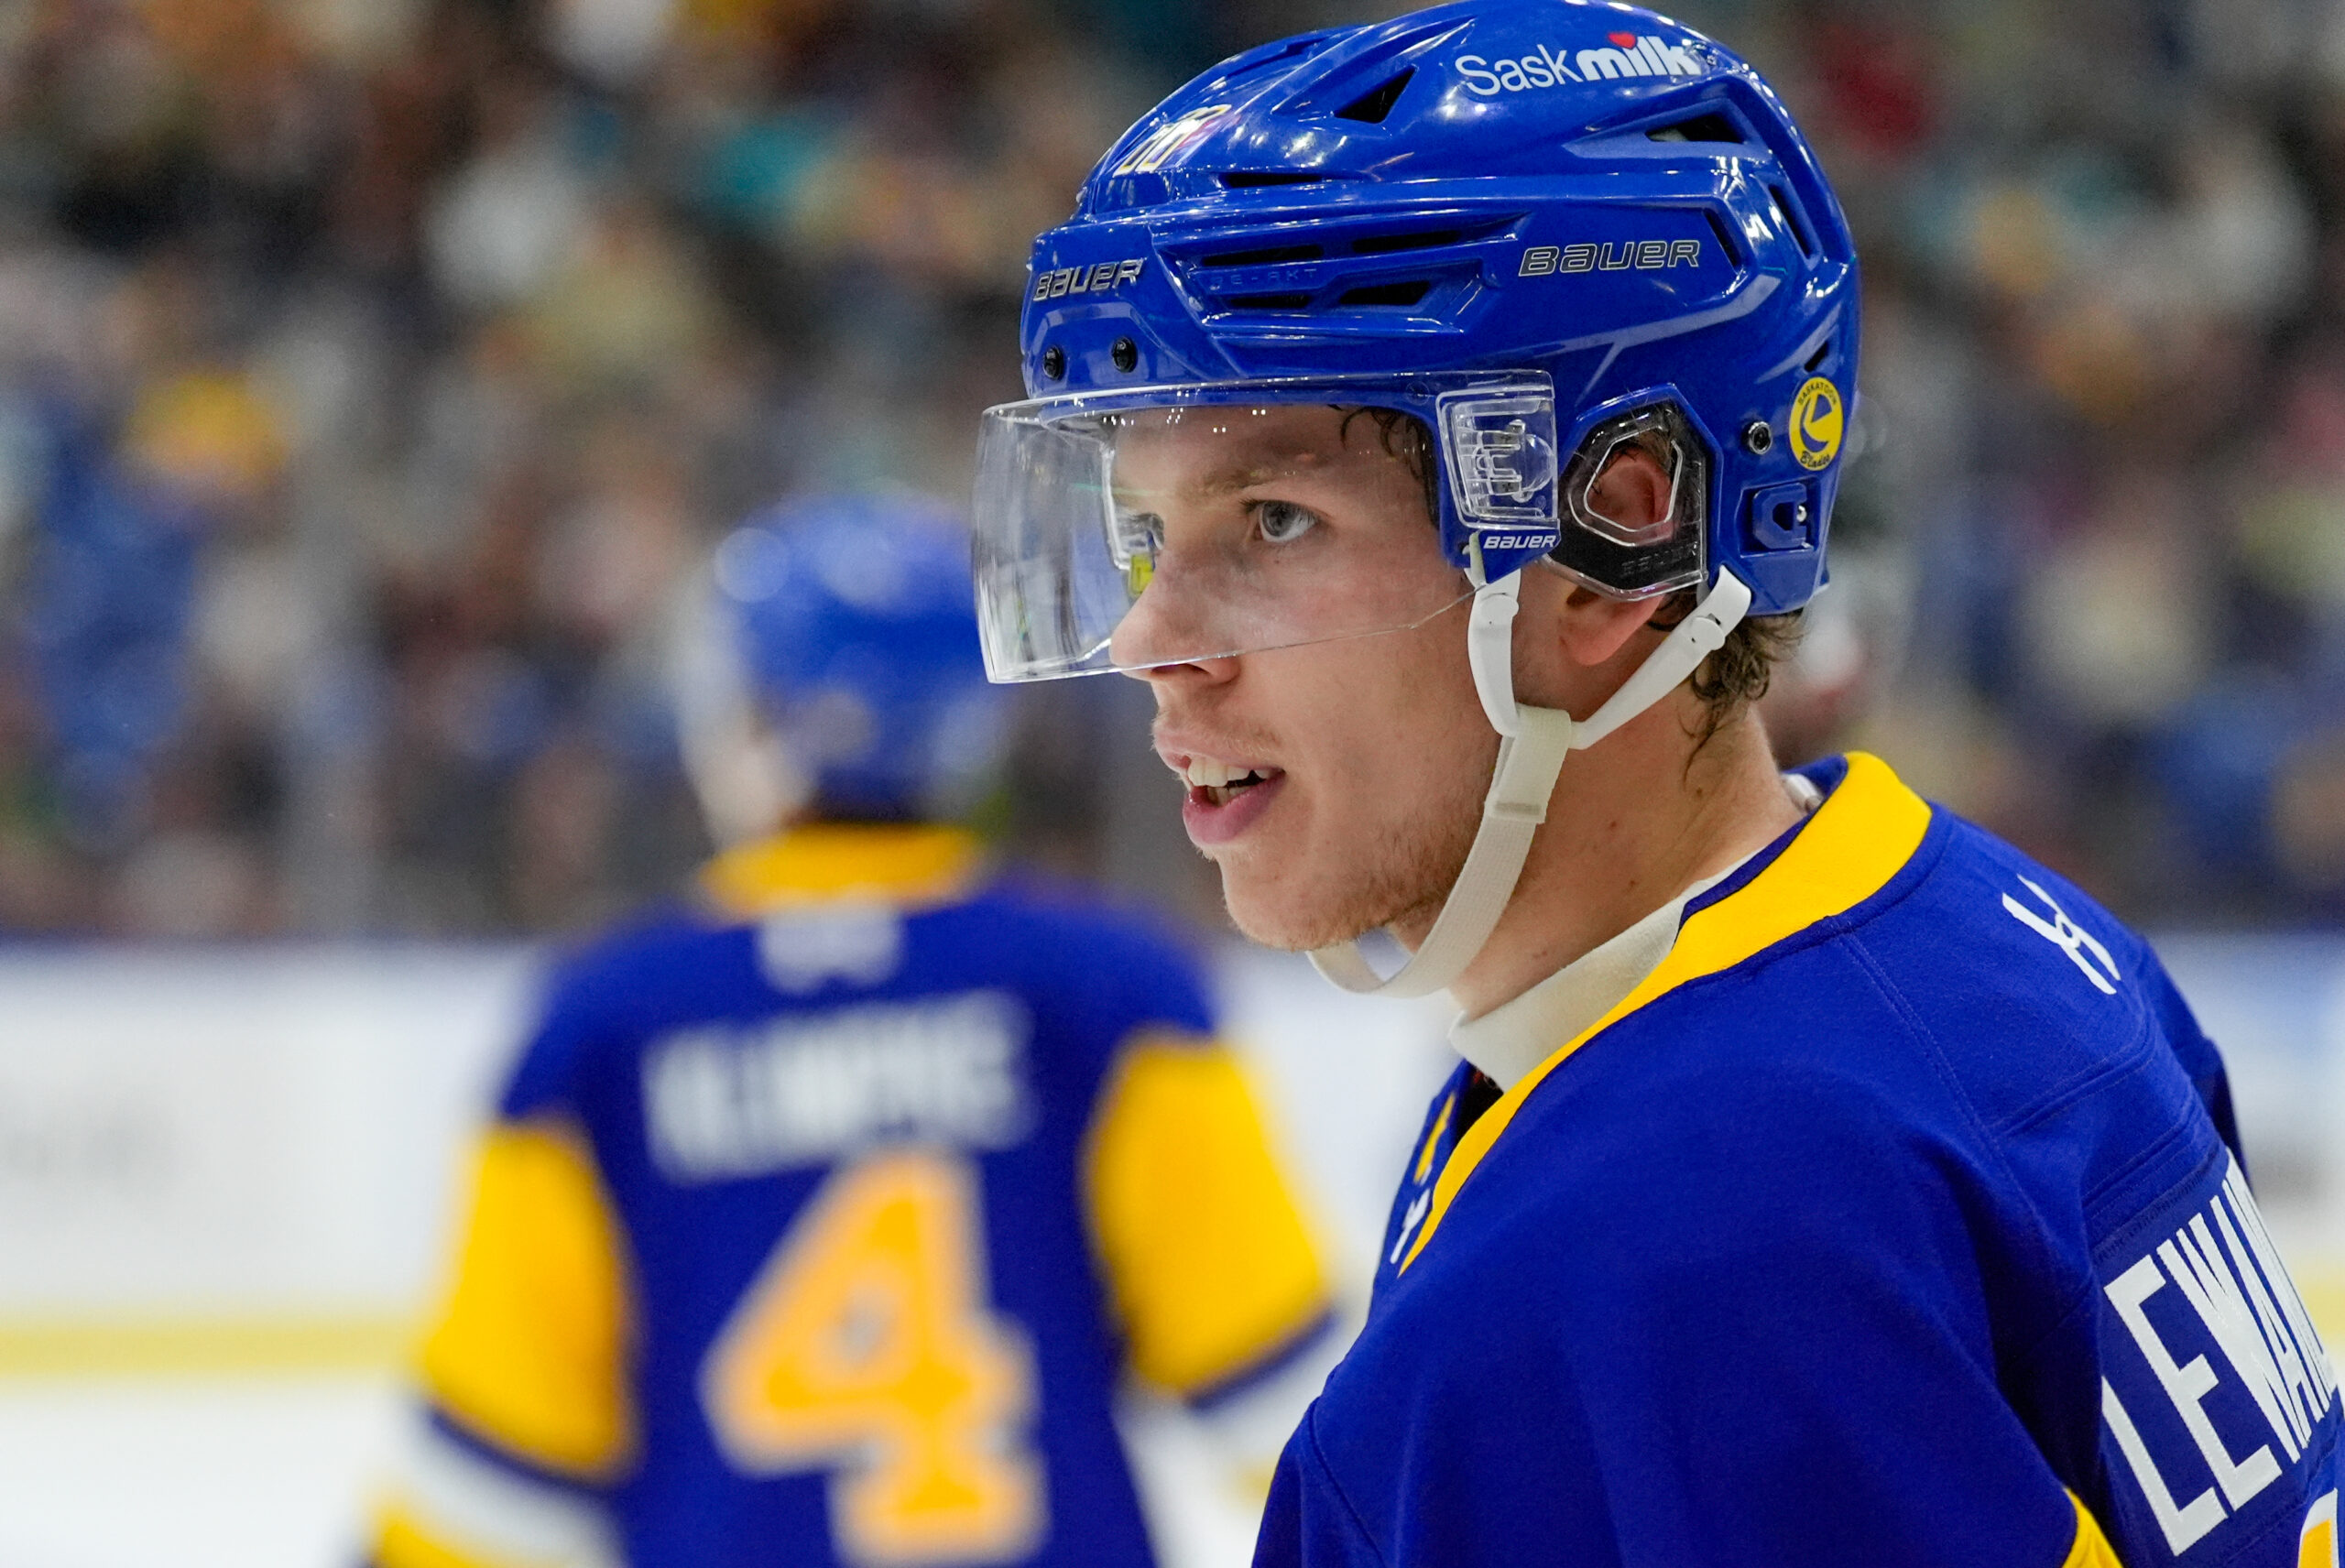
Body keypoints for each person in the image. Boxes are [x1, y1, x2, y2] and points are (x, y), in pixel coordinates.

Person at [965, 4, 2342, 1564]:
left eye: (1274, 520)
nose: (1150, 641)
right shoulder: (2002, 936)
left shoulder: (1648, 1274)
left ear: (1612, 541)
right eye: (1145, 536)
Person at [367, 493, 1336, 1568]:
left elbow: (483, 1500)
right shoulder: (1109, 995)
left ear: (749, 719)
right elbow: (1296, 1414)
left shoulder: (604, 1030)